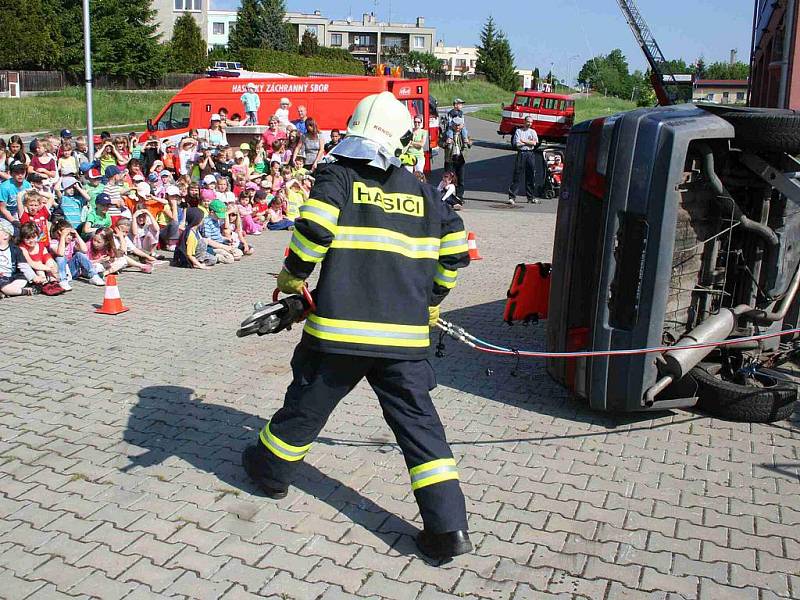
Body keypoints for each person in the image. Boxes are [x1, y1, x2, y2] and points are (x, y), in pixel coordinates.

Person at [241, 91, 473, 561]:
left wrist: (293, 277)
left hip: (340, 335)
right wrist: (430, 300)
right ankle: (449, 529)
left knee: (307, 406)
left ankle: (269, 472)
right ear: (403, 140)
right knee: (421, 429)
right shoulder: (426, 193)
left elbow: (313, 230)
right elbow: (455, 253)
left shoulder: (339, 174)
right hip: (404, 341)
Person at [49, 219, 105, 287]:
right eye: (67, 235)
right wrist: (63, 237)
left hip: (71, 271)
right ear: (59, 233)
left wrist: (77, 235)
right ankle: (62, 281)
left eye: (71, 235)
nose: (70, 237)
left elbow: (85, 250)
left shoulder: (72, 243)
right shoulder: (54, 242)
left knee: (80, 254)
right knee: (60, 258)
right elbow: (60, 253)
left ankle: (94, 276)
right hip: (59, 272)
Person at [507, 115, 540, 205]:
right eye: (528, 122)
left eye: (531, 122)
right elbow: (517, 144)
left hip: (530, 154)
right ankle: (512, 197)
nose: (529, 124)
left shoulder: (533, 132)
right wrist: (527, 143)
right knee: (517, 175)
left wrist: (524, 142)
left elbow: (535, 143)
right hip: (521, 153)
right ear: (524, 122)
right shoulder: (518, 131)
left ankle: (531, 197)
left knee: (530, 176)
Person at [0, 218, 36, 296]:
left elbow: (24, 266)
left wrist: (33, 277)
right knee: (3, 285)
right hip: (1, 278)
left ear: (6, 235)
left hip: (14, 277)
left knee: (20, 280)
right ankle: (14, 291)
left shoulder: (15, 250)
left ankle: (14, 291)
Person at [443, 117, 470, 203]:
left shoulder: (464, 133)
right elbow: (440, 143)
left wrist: (468, 142)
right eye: (456, 125)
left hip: (460, 158)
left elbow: (470, 143)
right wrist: (446, 143)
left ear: (462, 125)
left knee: (460, 179)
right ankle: (449, 196)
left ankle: (459, 197)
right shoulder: (447, 133)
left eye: (459, 125)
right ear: (452, 125)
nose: (458, 127)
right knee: (448, 178)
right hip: (450, 158)